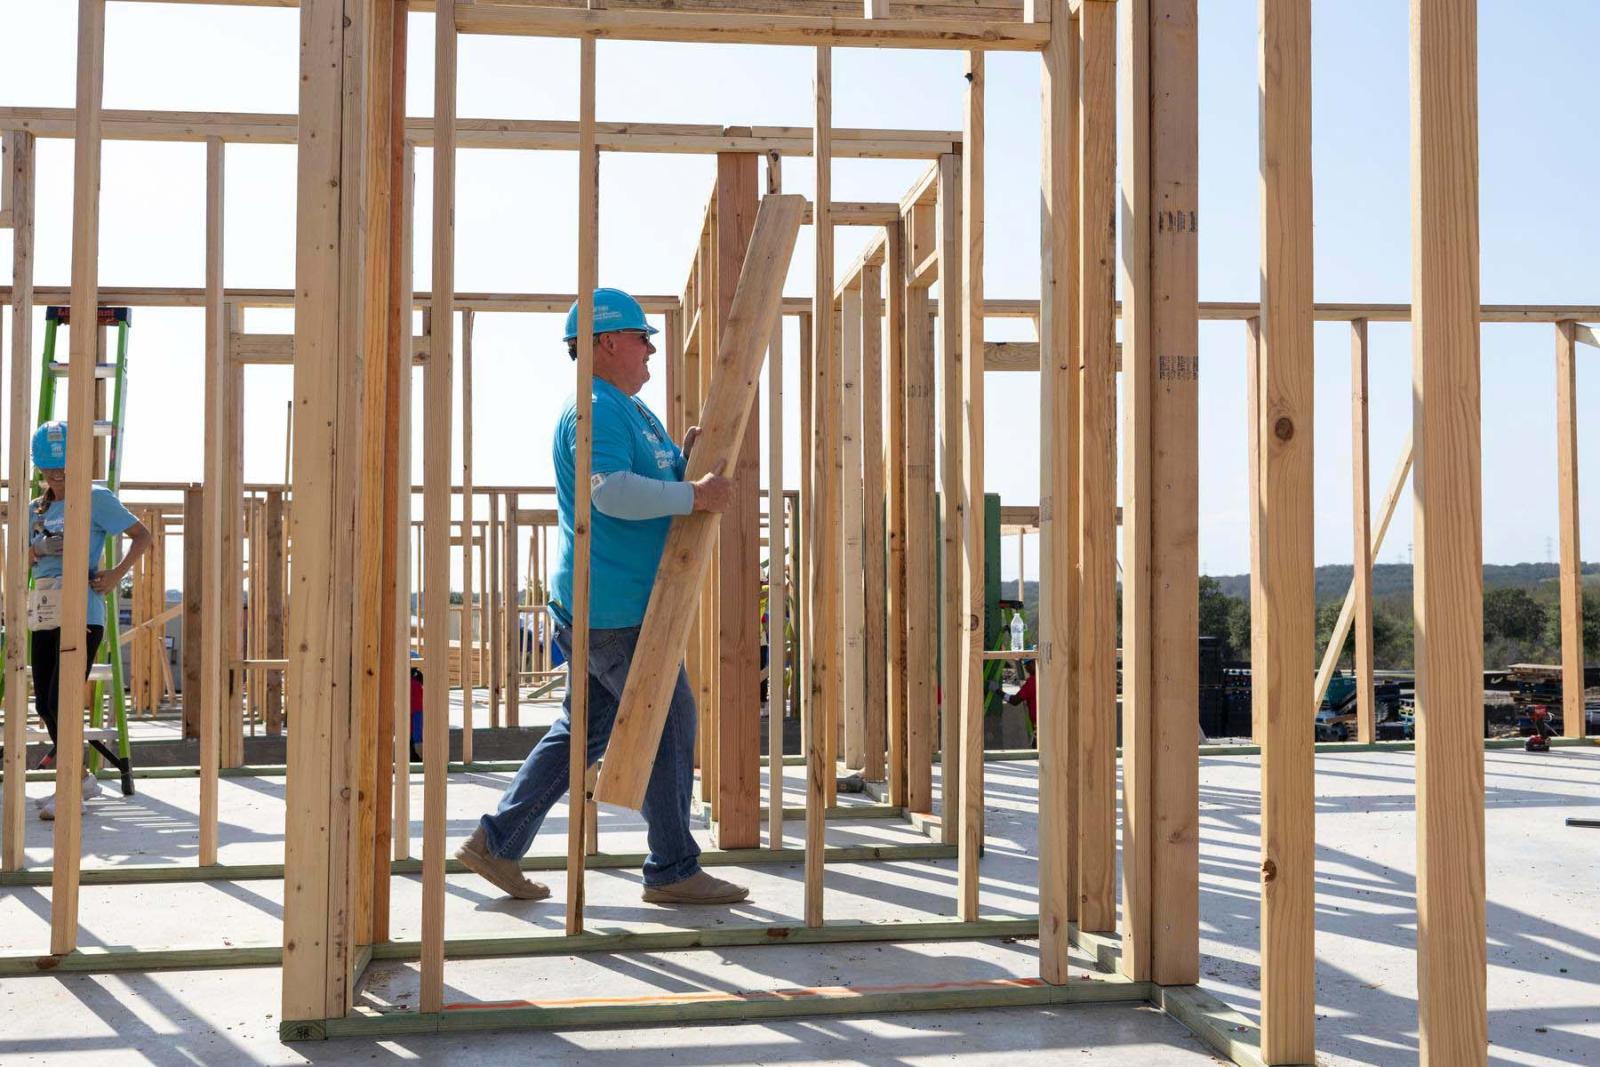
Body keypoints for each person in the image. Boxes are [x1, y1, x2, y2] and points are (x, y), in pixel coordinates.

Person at [457, 288, 747, 906]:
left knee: (581, 731)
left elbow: (645, 481)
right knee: (668, 721)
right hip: (616, 611)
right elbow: (610, 492)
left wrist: (682, 466)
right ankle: (672, 869)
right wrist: (693, 495)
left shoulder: (627, 409)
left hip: (612, 607)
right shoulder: (595, 408)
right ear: (608, 341)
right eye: (643, 338)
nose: (650, 350)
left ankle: (496, 842)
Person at [26, 421, 152, 820]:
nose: (56, 478)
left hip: (82, 611)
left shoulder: (95, 498)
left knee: (63, 700)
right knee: (46, 703)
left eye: (62, 470)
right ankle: (79, 778)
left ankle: (70, 791)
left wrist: (116, 574)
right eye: (49, 471)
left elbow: (142, 535)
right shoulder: (38, 507)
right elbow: (26, 553)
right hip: (45, 611)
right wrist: (31, 552)